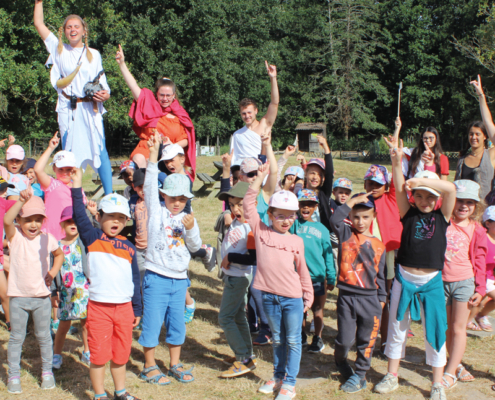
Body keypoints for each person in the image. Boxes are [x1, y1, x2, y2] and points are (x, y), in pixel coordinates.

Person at [374, 138, 456, 400]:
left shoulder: (443, 216)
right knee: (397, 328)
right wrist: (397, 163)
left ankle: (437, 383)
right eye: (418, 196)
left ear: (437, 198)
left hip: (431, 281)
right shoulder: (407, 212)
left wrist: (425, 182)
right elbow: (399, 188)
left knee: (435, 331)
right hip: (404, 280)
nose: (423, 200)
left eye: (429, 196)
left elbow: (450, 188)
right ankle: (392, 375)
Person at [71, 170, 142, 400]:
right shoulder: (92, 239)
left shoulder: (129, 247)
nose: (115, 221)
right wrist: (77, 186)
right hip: (99, 308)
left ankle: (120, 392)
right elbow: (80, 217)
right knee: (99, 356)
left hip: (124, 309)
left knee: (121, 355)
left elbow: (135, 280)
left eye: (121, 217)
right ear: (99, 217)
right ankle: (100, 395)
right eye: (110, 216)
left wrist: (137, 308)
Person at [244, 162, 313, 400]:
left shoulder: (296, 241)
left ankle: (290, 384)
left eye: (290, 217)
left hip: (292, 298)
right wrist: (259, 178)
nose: (285, 221)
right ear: (270, 215)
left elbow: (303, 270)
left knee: (293, 340)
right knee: (278, 339)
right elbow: (247, 204)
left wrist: (308, 294)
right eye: (280, 216)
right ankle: (278, 376)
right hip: (268, 297)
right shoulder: (261, 232)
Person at [137, 134, 201, 386]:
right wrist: (153, 156)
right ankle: (149, 366)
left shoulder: (187, 217)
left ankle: (174, 363)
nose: (177, 203)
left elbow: (195, 246)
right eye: (173, 197)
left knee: (177, 324)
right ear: (164, 196)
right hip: (156, 276)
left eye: (182, 199)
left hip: (179, 280)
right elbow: (151, 184)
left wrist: (193, 227)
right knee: (152, 322)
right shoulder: (157, 212)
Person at [33, 0, 113, 195]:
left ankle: (110, 196)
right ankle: (70, 195)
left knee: (100, 151)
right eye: (69, 27)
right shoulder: (58, 50)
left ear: (84, 31)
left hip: (91, 109)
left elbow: (102, 81)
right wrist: (39, 3)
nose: (73, 29)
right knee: (68, 154)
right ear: (64, 31)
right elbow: (39, 24)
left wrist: (106, 94)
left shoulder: (93, 54)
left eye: (77, 26)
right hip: (68, 108)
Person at [5, 192, 64, 394]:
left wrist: (53, 272)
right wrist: (20, 201)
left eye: (38, 220)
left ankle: (47, 372)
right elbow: (5, 219)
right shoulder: (14, 236)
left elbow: (59, 254)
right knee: (16, 338)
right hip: (18, 299)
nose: (33, 224)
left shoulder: (47, 238)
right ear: (18, 220)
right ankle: (14, 375)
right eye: (27, 219)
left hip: (42, 298)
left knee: (44, 337)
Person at [330, 192, 386, 393]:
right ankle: (340, 361)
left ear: (373, 218)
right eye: (356, 216)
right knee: (344, 340)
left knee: (366, 340)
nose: (360, 221)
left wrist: (381, 299)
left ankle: (360, 375)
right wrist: (351, 202)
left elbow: (381, 275)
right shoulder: (345, 234)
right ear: (350, 217)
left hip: (370, 300)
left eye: (365, 217)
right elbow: (334, 218)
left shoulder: (380, 245)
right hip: (347, 297)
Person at [115, 45, 196, 178]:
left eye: (168, 95)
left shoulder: (179, 114)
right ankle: (141, 192)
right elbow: (133, 86)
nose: (165, 99)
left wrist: (172, 145)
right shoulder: (149, 104)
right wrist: (122, 64)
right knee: (142, 161)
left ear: (174, 96)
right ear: (156, 94)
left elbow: (187, 139)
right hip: (146, 149)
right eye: (162, 95)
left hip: (168, 154)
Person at [441, 180, 486, 389]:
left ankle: (450, 373)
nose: (464, 206)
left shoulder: (477, 230)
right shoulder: (441, 221)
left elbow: (480, 261)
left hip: (464, 283)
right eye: (460, 200)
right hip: (439, 283)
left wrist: (480, 289)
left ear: (476, 206)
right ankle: (455, 364)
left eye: (470, 202)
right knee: (446, 329)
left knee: (459, 329)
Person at [217, 182, 257, 378]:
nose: (235, 209)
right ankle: (247, 354)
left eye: (240, 204)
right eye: (232, 205)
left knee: (224, 318)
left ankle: (243, 358)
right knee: (239, 316)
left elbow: (253, 258)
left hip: (240, 278)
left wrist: (230, 258)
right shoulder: (236, 221)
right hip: (232, 277)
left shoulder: (250, 227)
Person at [290, 189, 335, 354]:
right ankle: (301, 335)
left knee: (317, 308)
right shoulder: (294, 225)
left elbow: (328, 255)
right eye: (302, 204)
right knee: (300, 308)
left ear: (315, 207)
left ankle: (317, 337)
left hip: (318, 276)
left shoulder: (322, 229)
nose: (306, 208)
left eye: (309, 204)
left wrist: (331, 277)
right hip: (298, 276)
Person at [51, 206, 91, 369]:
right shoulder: (57, 246)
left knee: (86, 324)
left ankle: (87, 352)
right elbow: (53, 270)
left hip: (84, 290)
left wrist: (91, 214)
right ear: (62, 225)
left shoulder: (83, 241)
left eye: (75, 221)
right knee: (63, 325)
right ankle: (56, 355)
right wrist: (54, 291)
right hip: (66, 292)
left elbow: (93, 229)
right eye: (68, 221)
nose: (72, 224)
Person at [35, 132, 86, 241]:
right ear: (54, 169)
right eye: (60, 169)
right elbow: (38, 170)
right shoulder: (52, 184)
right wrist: (50, 148)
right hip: (51, 235)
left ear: (74, 169)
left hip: (72, 237)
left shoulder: (78, 189)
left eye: (68, 169)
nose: (65, 173)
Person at [230, 61, 279, 165]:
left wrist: (273, 78)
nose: (247, 116)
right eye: (243, 113)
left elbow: (274, 103)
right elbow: (233, 159)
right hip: (243, 175)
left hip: (262, 172)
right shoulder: (237, 135)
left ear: (256, 111)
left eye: (249, 112)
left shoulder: (265, 124)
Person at [0, 178, 16, 332]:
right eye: (1, 190)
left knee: (4, 292)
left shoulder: (3, 204)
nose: (4, 193)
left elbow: (20, 205)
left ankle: (11, 321)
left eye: (5, 189)